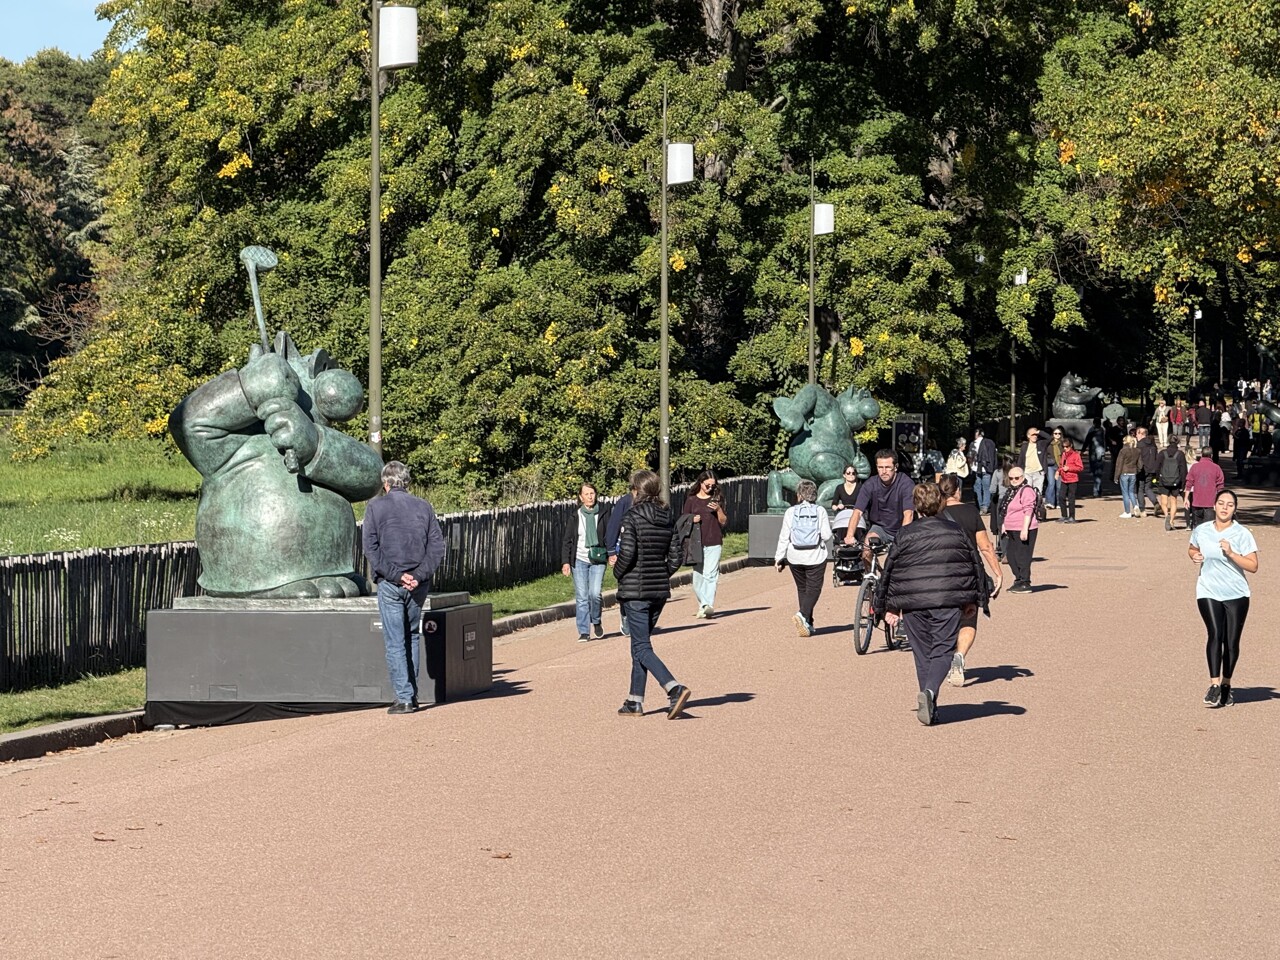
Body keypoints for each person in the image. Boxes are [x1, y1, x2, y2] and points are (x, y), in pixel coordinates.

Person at [874, 481, 987, 725]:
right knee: (943, 649)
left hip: (913, 601)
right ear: (941, 503)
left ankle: (930, 702)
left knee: (922, 652)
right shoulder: (955, 531)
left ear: (916, 506)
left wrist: (887, 606)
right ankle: (930, 693)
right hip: (947, 599)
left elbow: (890, 571)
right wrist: (974, 599)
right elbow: (973, 564)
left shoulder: (905, 534)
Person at [362, 461, 447, 715]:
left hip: (390, 583)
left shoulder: (375, 507)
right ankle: (413, 694)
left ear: (385, 484)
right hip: (418, 584)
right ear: (406, 483)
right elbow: (436, 547)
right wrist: (418, 576)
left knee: (395, 640)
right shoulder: (424, 507)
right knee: (412, 635)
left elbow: (371, 548)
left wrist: (397, 576)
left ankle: (404, 697)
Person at [615, 470, 691, 719]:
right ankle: (634, 700)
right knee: (639, 645)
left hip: (636, 591)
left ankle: (673, 688)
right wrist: (661, 572)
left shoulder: (632, 515)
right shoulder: (666, 515)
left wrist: (617, 573)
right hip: (658, 591)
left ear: (636, 490)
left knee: (642, 646)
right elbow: (676, 556)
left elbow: (626, 553)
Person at [1188, 490, 1259, 708]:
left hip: (1236, 593)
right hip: (1208, 589)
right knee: (1215, 633)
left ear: (1234, 509)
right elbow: (1192, 548)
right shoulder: (1202, 530)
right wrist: (1194, 556)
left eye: (1229, 505)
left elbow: (1253, 566)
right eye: (1221, 503)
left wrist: (1231, 553)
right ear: (1214, 506)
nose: (1225, 508)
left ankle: (1227, 683)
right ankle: (1214, 684)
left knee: (1231, 641)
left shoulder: (1242, 534)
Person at [939, 473, 1002, 687]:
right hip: (968, 573)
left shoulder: (932, 514)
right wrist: (998, 572)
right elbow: (985, 546)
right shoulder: (970, 511)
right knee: (968, 617)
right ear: (958, 490)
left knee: (943, 617)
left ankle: (943, 657)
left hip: (941, 574)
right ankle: (960, 655)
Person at [774, 479, 834, 637]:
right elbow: (827, 535)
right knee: (814, 589)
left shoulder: (791, 512)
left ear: (799, 495)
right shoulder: (820, 510)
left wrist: (779, 558)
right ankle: (802, 614)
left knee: (802, 589)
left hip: (795, 556)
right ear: (814, 494)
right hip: (815, 556)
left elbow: (784, 536)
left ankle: (808, 623)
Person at [560, 482, 613, 641]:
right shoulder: (575, 516)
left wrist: (612, 553)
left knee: (595, 594)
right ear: (581, 497)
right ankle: (584, 631)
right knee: (582, 596)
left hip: (598, 558)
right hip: (580, 559)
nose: (590, 497)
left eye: (592, 493)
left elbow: (610, 535)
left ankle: (596, 620)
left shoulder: (604, 513)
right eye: (587, 494)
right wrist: (566, 562)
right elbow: (567, 540)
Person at [843, 449, 915, 556]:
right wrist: (849, 536)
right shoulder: (870, 484)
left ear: (895, 467)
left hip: (902, 527)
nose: (884, 471)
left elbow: (909, 514)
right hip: (880, 528)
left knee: (901, 559)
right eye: (880, 467)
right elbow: (857, 512)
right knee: (867, 547)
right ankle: (869, 572)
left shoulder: (906, 484)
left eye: (887, 467)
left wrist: (901, 539)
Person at [683, 470, 727, 618]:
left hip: (713, 541)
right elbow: (683, 519)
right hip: (696, 542)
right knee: (698, 577)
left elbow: (723, 521)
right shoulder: (691, 500)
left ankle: (707, 605)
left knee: (710, 574)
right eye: (707, 485)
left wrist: (718, 509)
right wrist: (691, 519)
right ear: (701, 483)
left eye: (713, 485)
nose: (710, 488)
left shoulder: (717, 498)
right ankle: (703, 604)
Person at [998, 465, 1039, 593]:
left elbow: (1029, 510)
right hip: (1011, 528)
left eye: (1016, 478)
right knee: (1010, 555)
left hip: (1024, 527)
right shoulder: (1011, 491)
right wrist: (1005, 524)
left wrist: (1024, 528)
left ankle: (1025, 581)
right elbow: (1006, 509)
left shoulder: (1026, 490)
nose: (1014, 480)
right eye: (1011, 478)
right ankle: (1019, 579)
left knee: (1023, 556)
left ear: (1022, 477)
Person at [605, 487, 634, 636]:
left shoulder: (651, 502)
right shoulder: (624, 502)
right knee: (626, 587)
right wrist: (611, 551)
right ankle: (626, 617)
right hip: (624, 551)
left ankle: (639, 620)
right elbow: (613, 526)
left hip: (644, 551)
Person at [1184, 447, 1225, 529]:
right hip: (1210, 503)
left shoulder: (1195, 467)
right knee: (1209, 528)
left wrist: (1186, 498)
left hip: (1197, 502)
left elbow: (1189, 483)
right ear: (1211, 455)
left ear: (1201, 454)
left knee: (1198, 528)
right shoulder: (1216, 468)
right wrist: (1219, 501)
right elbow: (1220, 486)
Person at [1155, 437, 1188, 531]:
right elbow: (1183, 470)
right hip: (1176, 481)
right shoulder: (1180, 454)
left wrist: (1157, 478)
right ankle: (1171, 521)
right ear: (1177, 442)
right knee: (1174, 501)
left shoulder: (1162, 453)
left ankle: (1166, 515)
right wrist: (1183, 483)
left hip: (1163, 480)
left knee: (1164, 501)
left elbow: (1157, 467)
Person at [1016, 426, 1050, 499]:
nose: (1035, 436)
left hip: (1038, 472)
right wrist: (1019, 471)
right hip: (1027, 473)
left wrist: (1039, 432)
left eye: (1036, 435)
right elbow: (1021, 459)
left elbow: (1050, 438)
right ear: (1028, 436)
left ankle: (1037, 507)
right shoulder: (1024, 446)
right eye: (1033, 435)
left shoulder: (1041, 444)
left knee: (1038, 493)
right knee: (1027, 492)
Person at [1134, 426, 1161, 519]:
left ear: (1141, 434)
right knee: (1148, 488)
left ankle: (1142, 510)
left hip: (1142, 469)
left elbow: (1137, 458)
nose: (1136, 436)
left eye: (1137, 433)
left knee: (1140, 489)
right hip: (1151, 469)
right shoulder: (1153, 445)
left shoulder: (1139, 445)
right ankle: (1155, 502)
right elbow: (1156, 457)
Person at [971, 428, 998, 514]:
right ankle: (985, 506)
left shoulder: (973, 444)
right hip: (988, 468)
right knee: (987, 488)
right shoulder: (990, 443)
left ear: (977, 434)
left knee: (977, 487)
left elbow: (970, 456)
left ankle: (979, 505)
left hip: (977, 468)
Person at [1113, 435, 1141, 518]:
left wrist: (1116, 476)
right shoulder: (1137, 451)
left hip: (1124, 473)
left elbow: (1119, 464)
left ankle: (1127, 512)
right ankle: (1135, 505)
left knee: (1125, 493)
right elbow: (1140, 464)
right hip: (1133, 473)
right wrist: (1137, 471)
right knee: (1131, 492)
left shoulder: (1123, 451)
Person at [1057, 438, 1083, 522]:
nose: (1065, 448)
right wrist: (1058, 472)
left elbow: (1080, 468)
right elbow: (1061, 465)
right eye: (1063, 447)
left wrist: (1069, 468)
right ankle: (1064, 515)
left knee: (1071, 498)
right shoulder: (1063, 454)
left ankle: (1072, 516)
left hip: (1073, 479)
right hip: (1064, 479)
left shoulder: (1076, 455)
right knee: (1061, 497)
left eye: (1067, 447)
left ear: (1070, 446)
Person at [1084, 417, 1107, 497]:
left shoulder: (1092, 430)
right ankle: (1098, 489)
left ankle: (1096, 490)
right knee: (1098, 473)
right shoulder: (1102, 430)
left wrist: (1083, 449)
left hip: (1093, 453)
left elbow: (1087, 440)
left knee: (1096, 473)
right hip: (1100, 453)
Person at [1045, 427, 1065, 511]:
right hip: (1050, 465)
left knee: (1059, 485)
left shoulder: (1063, 444)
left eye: (1059, 433)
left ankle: (1059, 502)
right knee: (1051, 484)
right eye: (1055, 433)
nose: (1057, 435)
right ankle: (1050, 502)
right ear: (1052, 434)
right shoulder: (1049, 444)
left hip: (1060, 466)